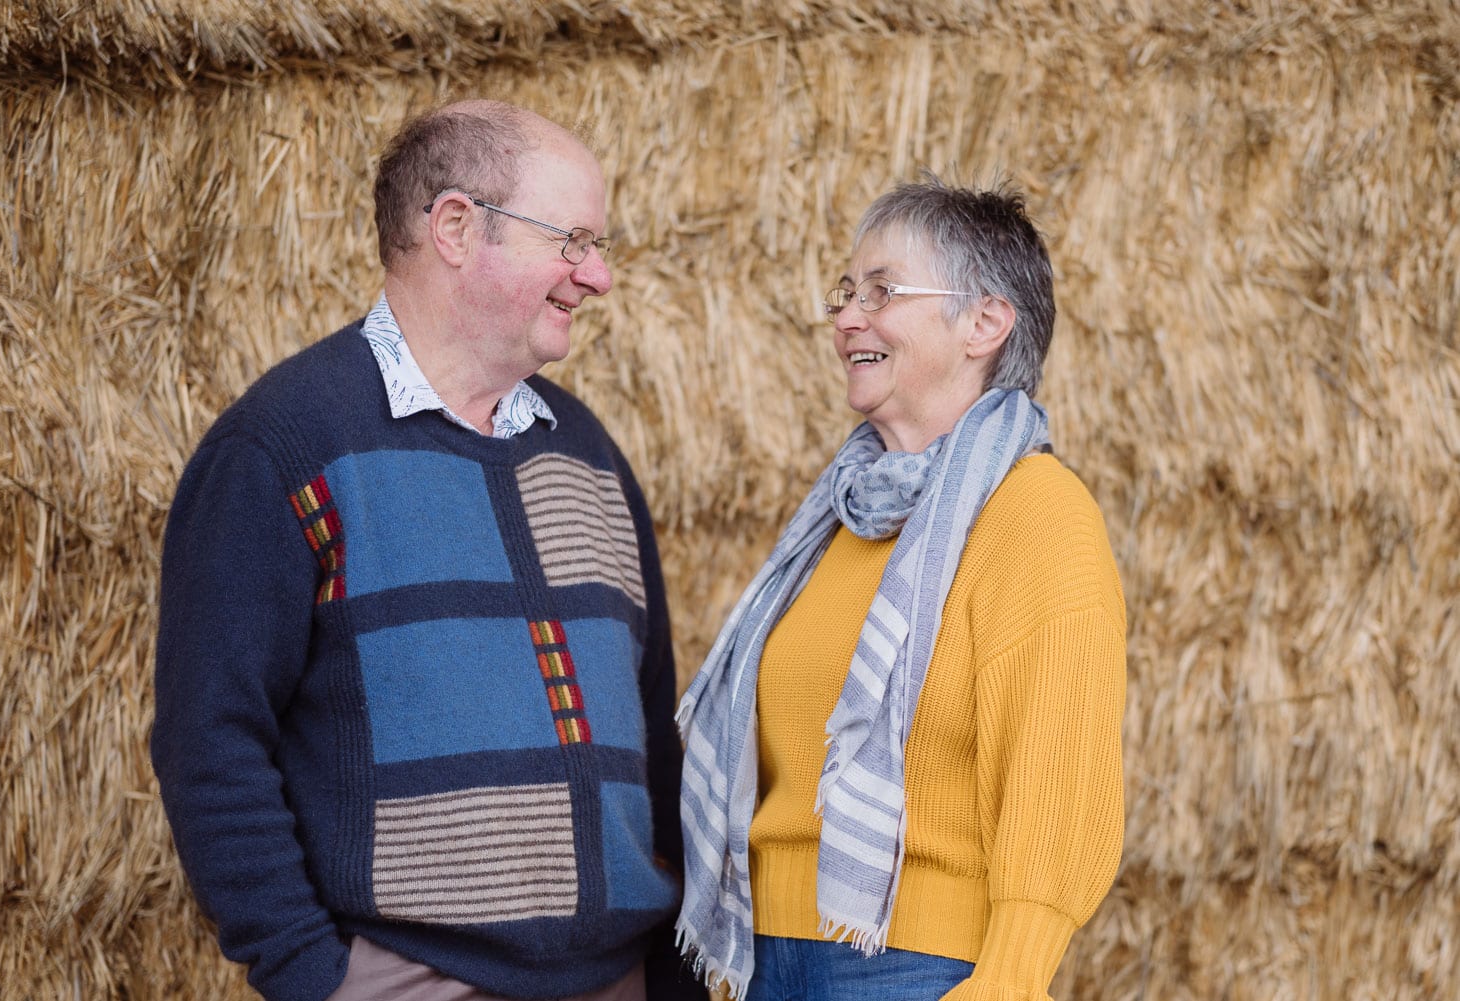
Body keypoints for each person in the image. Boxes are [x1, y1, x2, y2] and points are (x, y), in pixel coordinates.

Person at [152, 99, 702, 1001]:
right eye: (571, 240)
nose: (597, 275)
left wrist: (669, 969)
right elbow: (208, 742)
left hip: (619, 981)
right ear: (455, 227)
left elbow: (652, 736)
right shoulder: (284, 448)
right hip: (413, 981)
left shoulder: (591, 455)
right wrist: (316, 975)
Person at [675, 175, 1127, 1001]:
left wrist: (1009, 980)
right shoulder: (841, 518)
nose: (848, 316)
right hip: (767, 964)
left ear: (985, 323)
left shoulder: (1036, 511)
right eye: (847, 291)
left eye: (882, 291)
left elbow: (1059, 771)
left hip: (913, 970)